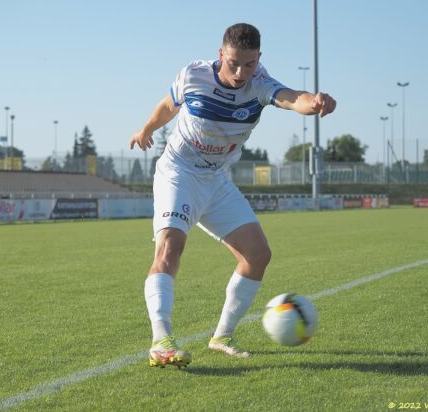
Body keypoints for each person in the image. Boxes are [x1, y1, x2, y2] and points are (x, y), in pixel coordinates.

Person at [129, 23, 336, 368]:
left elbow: (290, 98)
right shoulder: (193, 75)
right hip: (179, 172)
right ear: (220, 54)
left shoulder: (259, 83)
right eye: (234, 63)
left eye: (250, 64)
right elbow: (169, 104)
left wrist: (314, 102)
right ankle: (161, 340)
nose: (241, 73)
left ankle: (222, 336)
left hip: (216, 180)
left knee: (258, 254)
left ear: (259, 59)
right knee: (170, 247)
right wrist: (146, 129)